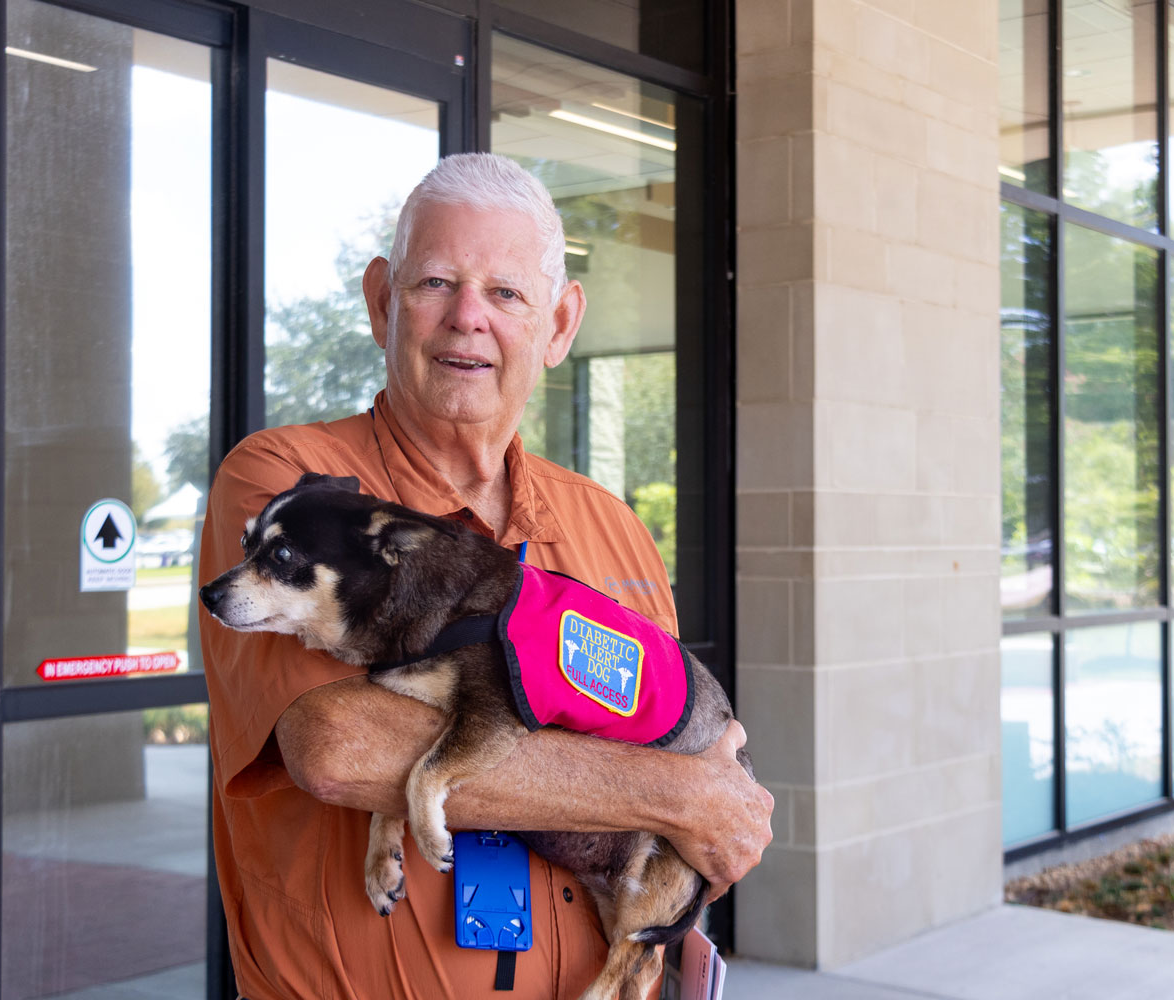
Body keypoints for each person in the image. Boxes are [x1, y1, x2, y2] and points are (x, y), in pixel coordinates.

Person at [197, 152, 773, 999]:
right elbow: (339, 746)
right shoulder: (292, 489)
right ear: (382, 299)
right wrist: (677, 793)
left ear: (560, 324)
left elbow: (692, 761)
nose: (468, 318)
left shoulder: (612, 530)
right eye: (435, 282)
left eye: (506, 293)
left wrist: (693, 806)